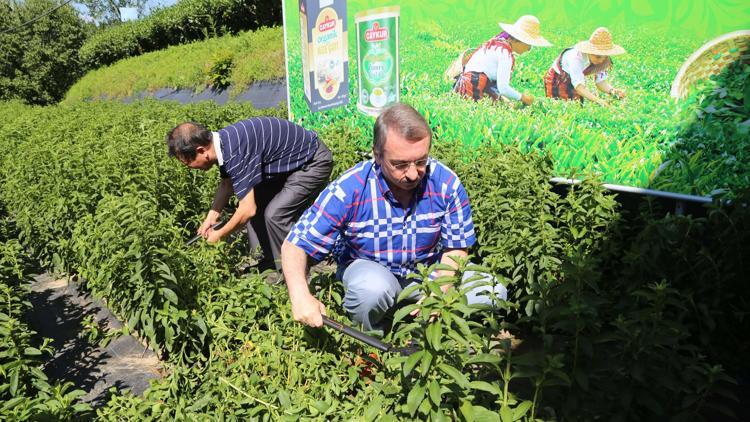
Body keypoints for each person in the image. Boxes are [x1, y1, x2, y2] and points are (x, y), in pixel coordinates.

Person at [281, 103, 507, 332]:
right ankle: (373, 341)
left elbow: (456, 249)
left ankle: (446, 337)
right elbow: (295, 244)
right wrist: (300, 295)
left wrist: (440, 291)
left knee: (492, 292)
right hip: (372, 272)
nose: (412, 174)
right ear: (377, 155)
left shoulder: (446, 183)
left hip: (428, 274)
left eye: (420, 161)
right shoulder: (350, 188)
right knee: (372, 289)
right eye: (400, 164)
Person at [166, 117, 333, 271]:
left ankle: (295, 272)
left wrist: (218, 235)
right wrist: (211, 217)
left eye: (188, 163)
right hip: (289, 167)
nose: (191, 168)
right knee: (257, 204)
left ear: (201, 150)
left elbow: (247, 210)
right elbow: (226, 183)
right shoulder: (224, 143)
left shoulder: (235, 151)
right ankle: (268, 263)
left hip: (312, 163)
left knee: (275, 215)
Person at [453, 15, 551, 105]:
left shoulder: (498, 45)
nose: (529, 49)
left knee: (504, 105)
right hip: (473, 84)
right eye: (529, 44)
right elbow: (503, 88)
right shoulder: (505, 54)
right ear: (520, 40)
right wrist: (522, 98)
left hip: (473, 82)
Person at [544, 27, 627, 106]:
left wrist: (612, 91)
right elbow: (579, 88)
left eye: (605, 57)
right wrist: (598, 101)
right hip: (558, 78)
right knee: (560, 105)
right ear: (589, 51)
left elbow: (600, 82)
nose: (601, 60)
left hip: (575, 78)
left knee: (577, 105)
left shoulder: (601, 60)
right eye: (598, 57)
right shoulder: (576, 59)